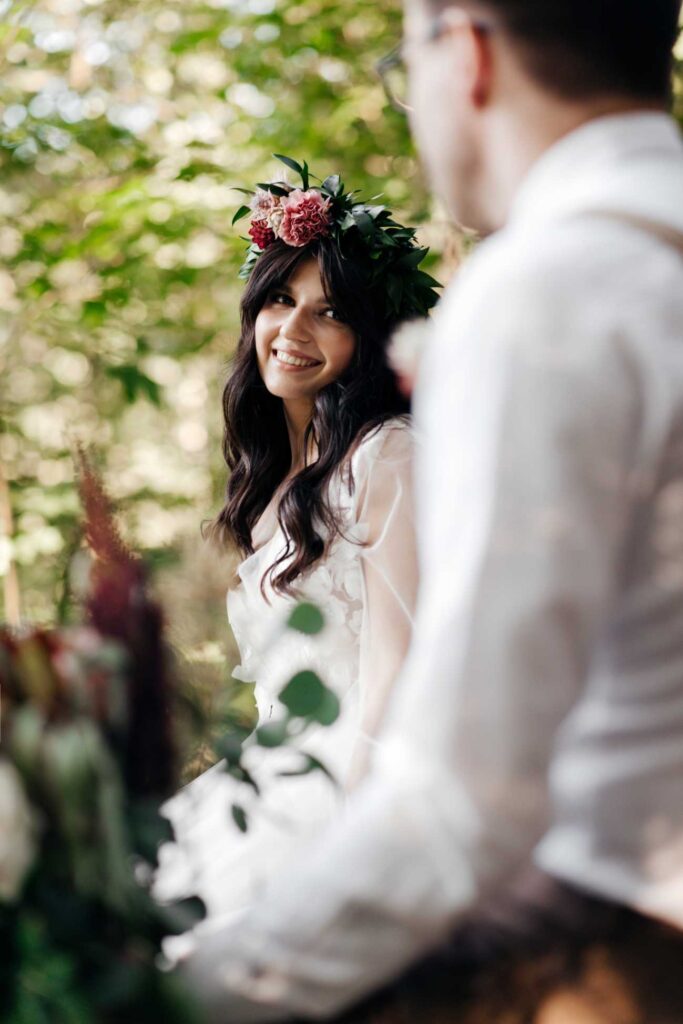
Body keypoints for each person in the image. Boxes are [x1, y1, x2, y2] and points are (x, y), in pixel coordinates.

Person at [180, 1, 683, 1021]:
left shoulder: (550, 289)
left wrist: (209, 994)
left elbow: (467, 785)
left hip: (614, 938)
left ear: (466, 51)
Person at [154, 165, 440, 924]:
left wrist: (356, 826)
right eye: (281, 300)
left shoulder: (389, 456)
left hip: (358, 777)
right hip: (275, 774)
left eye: (330, 312)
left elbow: (398, 667)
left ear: (368, 339)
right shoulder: (278, 484)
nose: (294, 331)